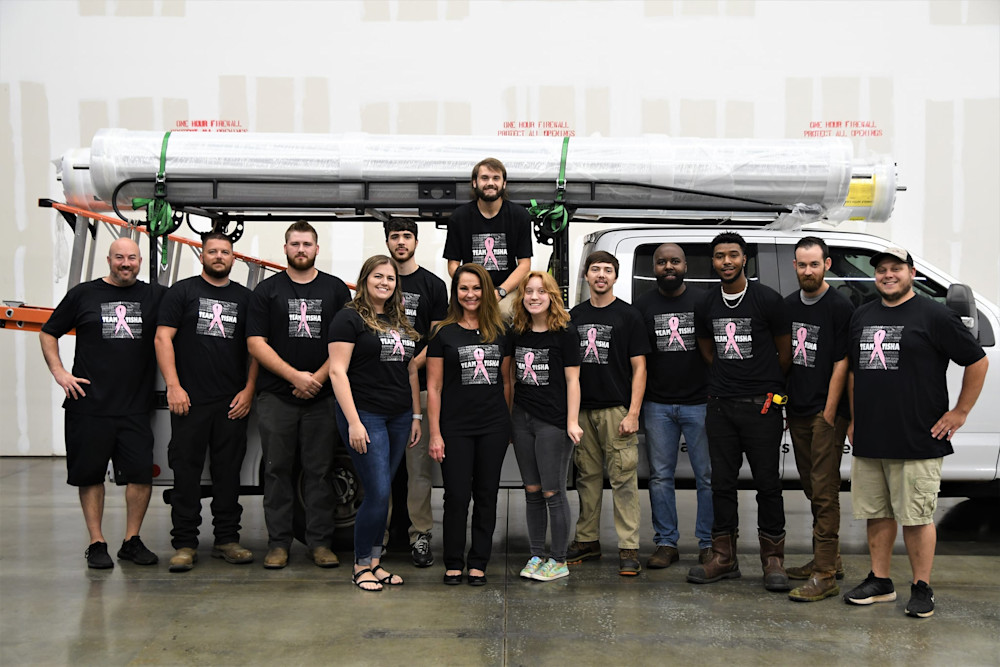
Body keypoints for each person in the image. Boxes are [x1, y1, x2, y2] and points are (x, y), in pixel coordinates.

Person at [843, 247, 987, 618]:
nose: (888, 275)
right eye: (882, 270)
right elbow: (857, 374)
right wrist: (855, 420)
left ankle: (922, 587)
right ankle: (880, 580)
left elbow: (977, 360)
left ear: (910, 273)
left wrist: (960, 412)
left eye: (896, 269)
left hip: (918, 437)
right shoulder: (863, 315)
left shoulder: (935, 315)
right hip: (872, 437)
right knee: (876, 512)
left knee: (917, 516)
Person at [39, 237, 165, 569]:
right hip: (88, 404)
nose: (126, 263)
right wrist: (59, 372)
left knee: (140, 475)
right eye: (120, 257)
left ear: (140, 261)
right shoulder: (84, 294)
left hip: (135, 406)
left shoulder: (154, 295)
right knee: (90, 475)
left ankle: (131, 541)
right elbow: (48, 331)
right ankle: (97, 542)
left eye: (133, 258)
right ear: (109, 260)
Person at [687, 231, 792, 591]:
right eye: (719, 256)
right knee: (722, 483)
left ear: (744, 258)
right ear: (713, 262)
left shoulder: (767, 300)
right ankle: (724, 557)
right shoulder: (706, 303)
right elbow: (705, 347)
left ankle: (772, 560)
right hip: (719, 405)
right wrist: (726, 378)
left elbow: (785, 353)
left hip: (762, 405)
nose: (726, 261)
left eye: (733, 255)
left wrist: (761, 383)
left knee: (768, 483)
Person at [247, 220, 351, 570]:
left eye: (307, 244)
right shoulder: (267, 290)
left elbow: (345, 343)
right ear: (286, 248)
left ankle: (320, 543)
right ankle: (278, 544)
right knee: (277, 471)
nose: (301, 249)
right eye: (295, 244)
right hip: (277, 397)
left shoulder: (336, 290)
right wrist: (295, 376)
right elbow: (255, 343)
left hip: (322, 398)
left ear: (317, 249)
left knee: (319, 472)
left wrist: (316, 380)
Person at [155, 232, 259, 573]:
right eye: (212, 251)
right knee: (185, 475)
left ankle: (227, 540)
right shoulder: (181, 292)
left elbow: (256, 348)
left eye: (224, 252)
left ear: (233, 258)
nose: (218, 256)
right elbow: (162, 338)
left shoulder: (246, 298)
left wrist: (248, 390)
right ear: (201, 256)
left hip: (232, 403)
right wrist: (173, 386)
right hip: (189, 402)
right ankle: (184, 544)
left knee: (228, 475)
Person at [329, 255, 422, 592]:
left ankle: (375, 562)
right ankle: (360, 565)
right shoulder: (349, 318)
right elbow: (337, 371)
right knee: (378, 490)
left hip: (398, 416)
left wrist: (415, 415)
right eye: (379, 277)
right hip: (365, 415)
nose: (385, 283)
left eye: (391, 279)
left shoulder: (399, 320)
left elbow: (410, 369)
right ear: (365, 278)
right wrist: (354, 422)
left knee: (384, 493)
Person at [427, 263, 513, 586]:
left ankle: (478, 562)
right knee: (457, 496)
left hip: (493, 426)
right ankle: (453, 561)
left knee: (487, 494)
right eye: (464, 288)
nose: (471, 294)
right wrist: (435, 432)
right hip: (455, 428)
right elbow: (433, 387)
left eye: (476, 288)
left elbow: (506, 382)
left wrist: (506, 423)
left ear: (486, 290)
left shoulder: (501, 332)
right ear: (455, 293)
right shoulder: (442, 333)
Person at [566, 251, 649, 576]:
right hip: (583, 410)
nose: (601, 275)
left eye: (607, 270)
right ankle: (588, 540)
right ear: (586, 275)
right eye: (595, 269)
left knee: (623, 479)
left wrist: (633, 413)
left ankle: (629, 547)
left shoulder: (628, 316)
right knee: (586, 478)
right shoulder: (574, 315)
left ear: (615, 276)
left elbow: (639, 367)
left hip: (617, 410)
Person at [782, 237, 854, 601]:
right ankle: (831, 559)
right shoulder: (789, 305)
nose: (807, 271)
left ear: (826, 264)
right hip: (797, 409)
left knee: (824, 491)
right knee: (812, 486)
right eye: (801, 264)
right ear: (794, 266)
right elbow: (784, 358)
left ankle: (825, 576)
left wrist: (829, 411)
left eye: (814, 264)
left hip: (825, 413)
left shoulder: (839, 307)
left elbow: (843, 361)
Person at [634, 243, 713, 570]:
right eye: (662, 262)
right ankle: (666, 543)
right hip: (657, 405)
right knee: (660, 477)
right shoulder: (642, 306)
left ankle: (709, 543)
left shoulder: (702, 302)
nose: (669, 266)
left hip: (701, 402)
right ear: (654, 267)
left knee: (707, 477)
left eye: (675, 261)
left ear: (685, 266)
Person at [510, 271, 583, 582]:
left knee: (554, 492)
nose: (534, 296)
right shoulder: (517, 333)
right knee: (532, 491)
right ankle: (537, 554)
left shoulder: (565, 334)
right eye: (529, 291)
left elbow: (573, 380)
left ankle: (559, 559)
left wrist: (571, 421)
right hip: (521, 419)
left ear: (552, 296)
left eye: (541, 291)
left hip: (552, 422)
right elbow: (511, 378)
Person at [384, 219, 448, 568]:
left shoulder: (433, 285)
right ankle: (376, 537)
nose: (401, 242)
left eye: (407, 236)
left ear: (416, 242)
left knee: (419, 472)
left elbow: (437, 337)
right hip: (381, 392)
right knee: (381, 471)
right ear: (388, 242)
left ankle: (420, 536)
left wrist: (410, 364)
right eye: (395, 236)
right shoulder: (376, 280)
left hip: (420, 390)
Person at [443, 157, 533, 320]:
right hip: (470, 290)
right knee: (455, 319)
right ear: (474, 183)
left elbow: (524, 264)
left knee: (504, 314)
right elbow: (453, 264)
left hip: (506, 291)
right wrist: (471, 289)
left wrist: (500, 292)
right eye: (485, 178)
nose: (490, 183)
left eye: (496, 178)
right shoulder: (459, 217)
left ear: (504, 184)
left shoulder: (520, 216)